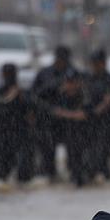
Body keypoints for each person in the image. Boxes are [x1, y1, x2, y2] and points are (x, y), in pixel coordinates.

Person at [31, 45, 72, 179]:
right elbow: (34, 95)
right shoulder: (45, 74)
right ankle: (49, 172)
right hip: (47, 118)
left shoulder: (72, 73)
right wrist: (55, 87)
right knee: (47, 149)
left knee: (73, 148)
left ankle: (72, 171)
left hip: (69, 118)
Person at [0, 63, 35, 183]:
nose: (9, 77)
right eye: (7, 74)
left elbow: (32, 111)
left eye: (11, 74)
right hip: (2, 134)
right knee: (2, 170)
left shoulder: (24, 93)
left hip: (21, 133)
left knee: (23, 170)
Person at [51, 68, 90, 187]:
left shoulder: (84, 95)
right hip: (67, 130)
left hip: (85, 131)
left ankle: (81, 175)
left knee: (80, 155)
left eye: (72, 82)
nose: (70, 85)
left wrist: (65, 114)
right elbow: (54, 111)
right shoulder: (61, 95)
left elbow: (82, 115)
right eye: (68, 82)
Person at [84, 49, 110, 180]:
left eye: (97, 63)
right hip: (89, 119)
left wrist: (97, 112)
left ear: (103, 63)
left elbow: (108, 99)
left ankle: (102, 171)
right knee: (89, 146)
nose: (95, 66)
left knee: (102, 146)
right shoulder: (89, 78)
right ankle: (91, 171)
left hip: (106, 119)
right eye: (93, 63)